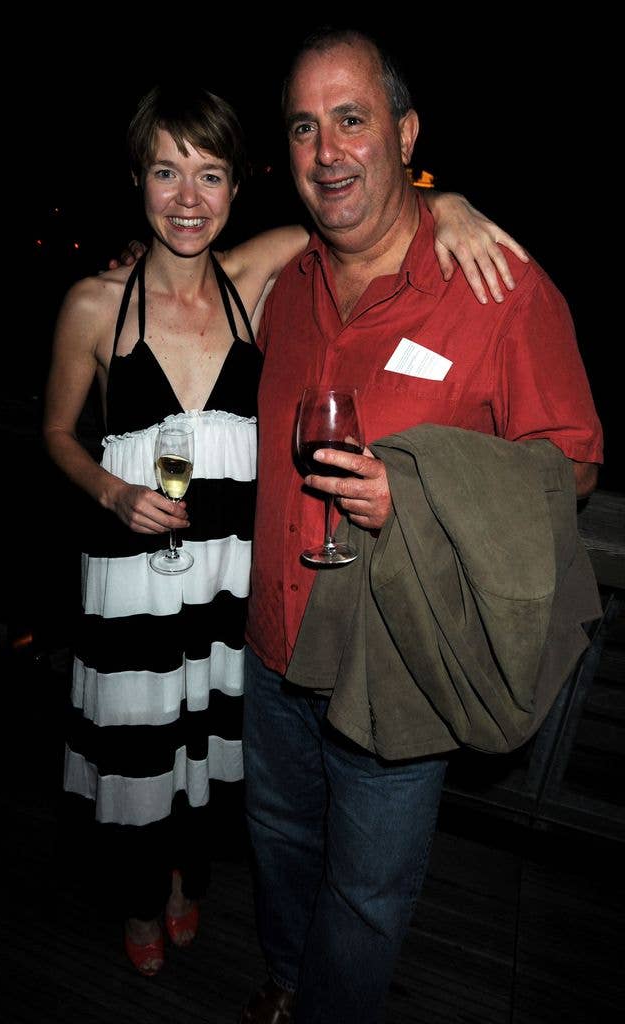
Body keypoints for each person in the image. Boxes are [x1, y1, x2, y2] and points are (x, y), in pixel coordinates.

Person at [43, 82, 526, 980]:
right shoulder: (93, 304)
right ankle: (145, 895)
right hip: (136, 574)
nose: (188, 199)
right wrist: (110, 491)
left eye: (211, 175)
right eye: (165, 173)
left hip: (232, 574)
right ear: (138, 183)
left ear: (237, 187)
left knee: (210, 742)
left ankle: (187, 881)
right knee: (142, 742)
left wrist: (445, 202)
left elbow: (362, 216)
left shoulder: (253, 279)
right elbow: (55, 436)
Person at [240, 27, 603, 1024]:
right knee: (276, 836)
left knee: (365, 894)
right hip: (270, 648)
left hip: (394, 657)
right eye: (304, 127)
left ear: (402, 132)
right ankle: (282, 978)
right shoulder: (289, 287)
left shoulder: (499, 291)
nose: (326, 150)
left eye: (351, 119)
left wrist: (421, 495)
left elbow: (571, 462)